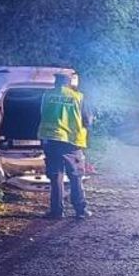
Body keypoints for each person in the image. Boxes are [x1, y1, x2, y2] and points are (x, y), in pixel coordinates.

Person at [37, 71, 91, 220]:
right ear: (69, 83)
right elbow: (87, 121)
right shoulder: (78, 97)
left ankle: (56, 211)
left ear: (56, 82)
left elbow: (42, 114)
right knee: (75, 176)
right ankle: (80, 211)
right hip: (71, 142)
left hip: (51, 140)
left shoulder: (46, 96)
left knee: (56, 177)